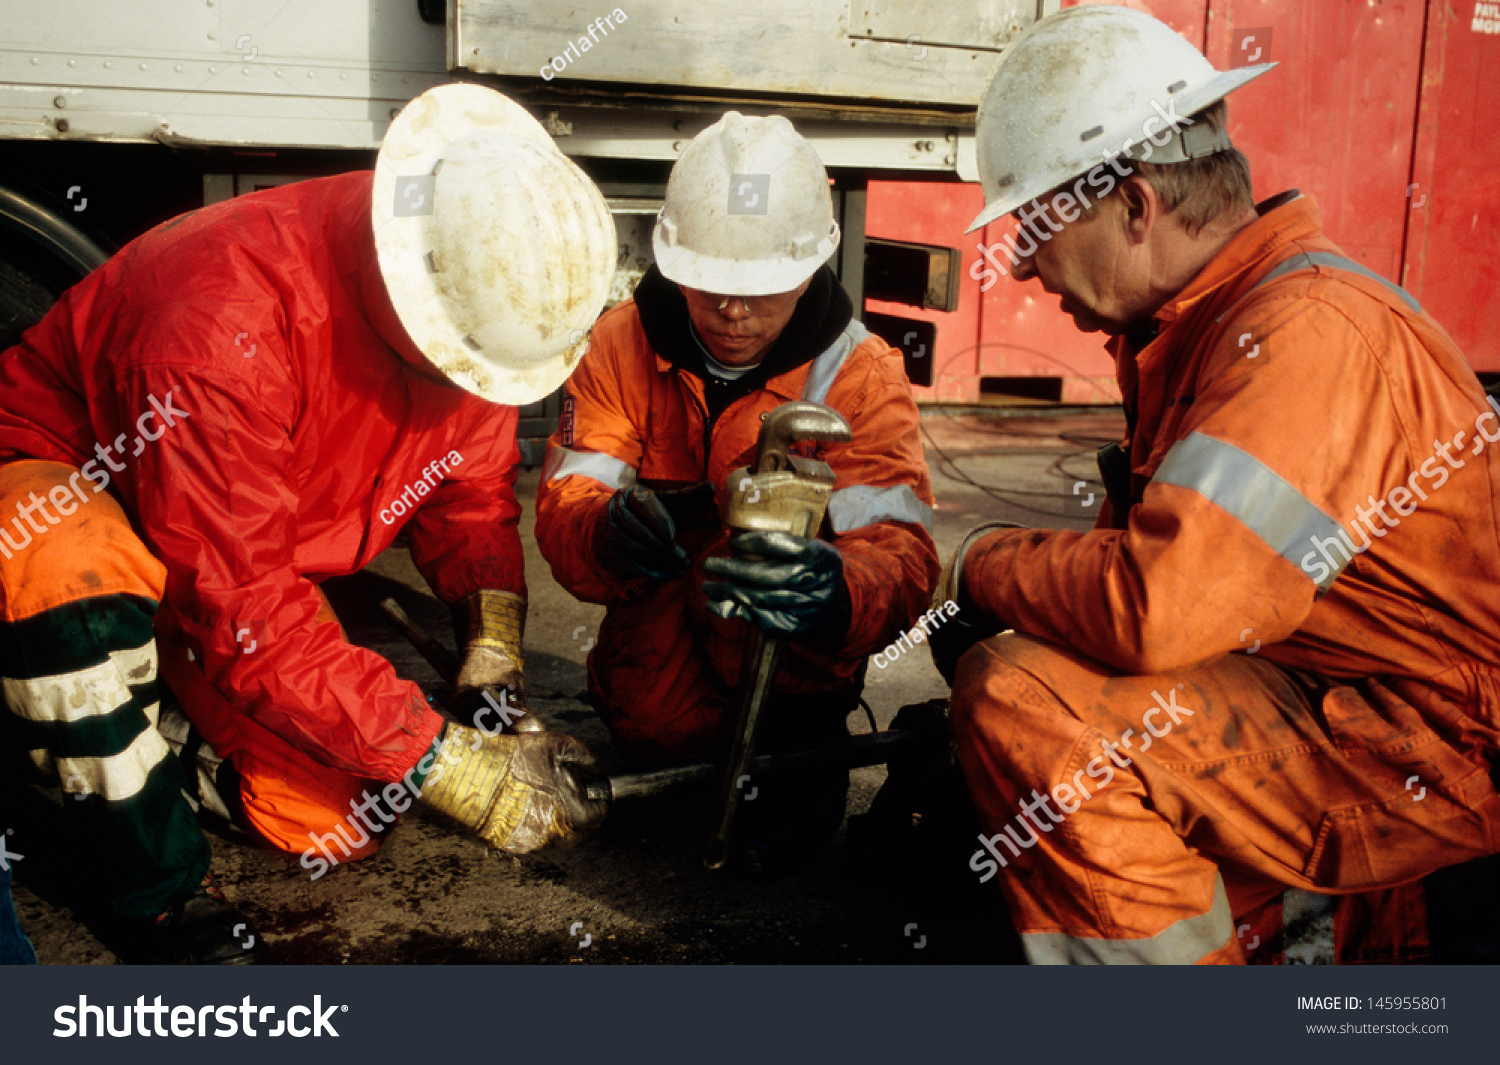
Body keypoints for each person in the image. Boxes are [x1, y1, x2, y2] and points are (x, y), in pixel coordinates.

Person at [938, 5, 1500, 963]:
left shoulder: (1307, 336)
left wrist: (972, 562)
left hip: (1424, 746)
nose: (1024, 262)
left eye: (1036, 223)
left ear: (1135, 205)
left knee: (1025, 702)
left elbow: (1159, 610)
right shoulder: (1208, 330)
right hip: (1328, 691)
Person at [0, 84, 613, 963]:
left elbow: (469, 492)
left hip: (229, 547)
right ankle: (144, 882)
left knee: (335, 814)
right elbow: (246, 610)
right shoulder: (220, 325)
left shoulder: (460, 309)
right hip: (78, 488)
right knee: (62, 573)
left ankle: (144, 722)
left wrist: (493, 647)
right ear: (414, 293)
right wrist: (449, 765)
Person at [535, 112, 939, 870]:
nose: (734, 312)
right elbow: (569, 502)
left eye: (762, 290)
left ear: (811, 267)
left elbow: (901, 554)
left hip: (792, 684)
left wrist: (839, 594)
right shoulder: (620, 343)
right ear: (674, 262)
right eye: (714, 285)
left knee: (792, 822)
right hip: (650, 688)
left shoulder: (862, 375)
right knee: (652, 746)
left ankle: (792, 751)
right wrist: (601, 532)